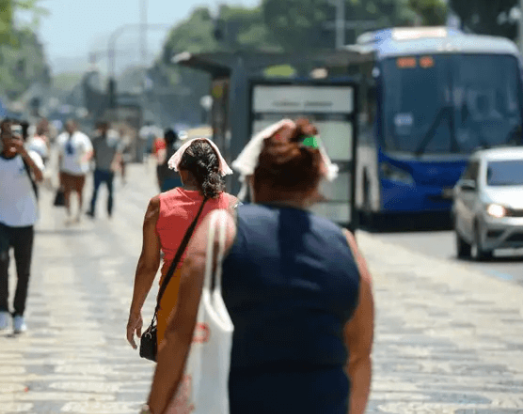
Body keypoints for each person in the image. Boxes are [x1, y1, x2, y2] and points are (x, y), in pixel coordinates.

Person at [141, 119, 375, 414]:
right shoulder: (346, 246)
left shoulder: (220, 234)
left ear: (254, 178)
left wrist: (154, 409)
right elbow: (359, 355)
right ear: (315, 183)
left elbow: (178, 336)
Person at [126, 138, 236, 351]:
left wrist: (135, 312)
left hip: (174, 301)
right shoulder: (232, 206)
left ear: (182, 171)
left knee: (174, 374)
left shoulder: (159, 205)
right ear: (216, 169)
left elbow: (148, 266)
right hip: (217, 301)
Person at [0, 124, 45, 334]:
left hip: (25, 222)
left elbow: (40, 177)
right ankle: (2, 310)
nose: (12, 139)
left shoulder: (30, 158)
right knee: (1, 265)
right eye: (8, 135)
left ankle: (19, 314)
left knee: (23, 271)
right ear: (1, 138)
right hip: (0, 222)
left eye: (16, 136)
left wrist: (24, 153)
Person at [57, 120, 93, 224]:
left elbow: (89, 151)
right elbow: (59, 155)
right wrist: (58, 171)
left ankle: (78, 213)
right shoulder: (61, 138)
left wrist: (83, 160)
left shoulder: (82, 138)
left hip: (79, 171)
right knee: (67, 192)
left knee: (79, 193)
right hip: (66, 170)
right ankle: (68, 212)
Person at [87, 121, 122, 219]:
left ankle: (109, 211)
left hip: (109, 169)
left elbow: (118, 152)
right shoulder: (96, 139)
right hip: (98, 168)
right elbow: (92, 152)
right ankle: (92, 210)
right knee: (95, 191)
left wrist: (115, 164)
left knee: (110, 192)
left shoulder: (114, 138)